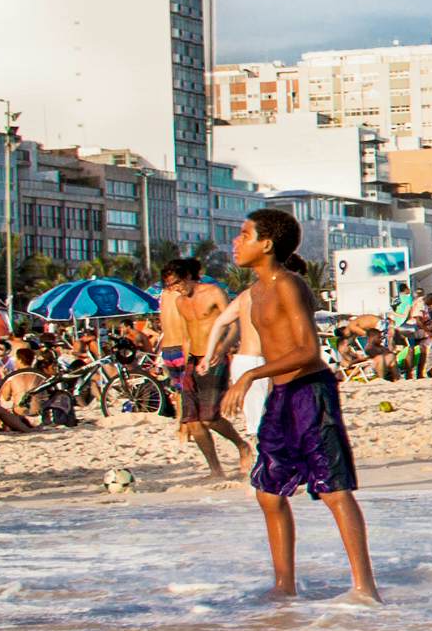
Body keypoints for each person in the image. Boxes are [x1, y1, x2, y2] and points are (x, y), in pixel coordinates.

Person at [233, 208, 381, 603]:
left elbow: (308, 350)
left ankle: (365, 588)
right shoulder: (256, 292)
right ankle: (284, 585)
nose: (236, 242)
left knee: (333, 490)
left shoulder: (288, 284)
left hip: (310, 393)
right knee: (268, 492)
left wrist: (251, 375)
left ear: (266, 244)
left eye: (244, 235)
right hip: (282, 395)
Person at [158, 255, 250, 480]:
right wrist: (186, 359)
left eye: (176, 283)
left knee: (210, 417)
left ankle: (242, 446)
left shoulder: (213, 292)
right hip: (193, 360)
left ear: (188, 276)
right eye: (169, 286)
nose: (175, 289)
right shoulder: (180, 301)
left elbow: (234, 326)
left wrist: (221, 350)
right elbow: (188, 334)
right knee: (192, 421)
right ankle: (215, 469)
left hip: (216, 358)